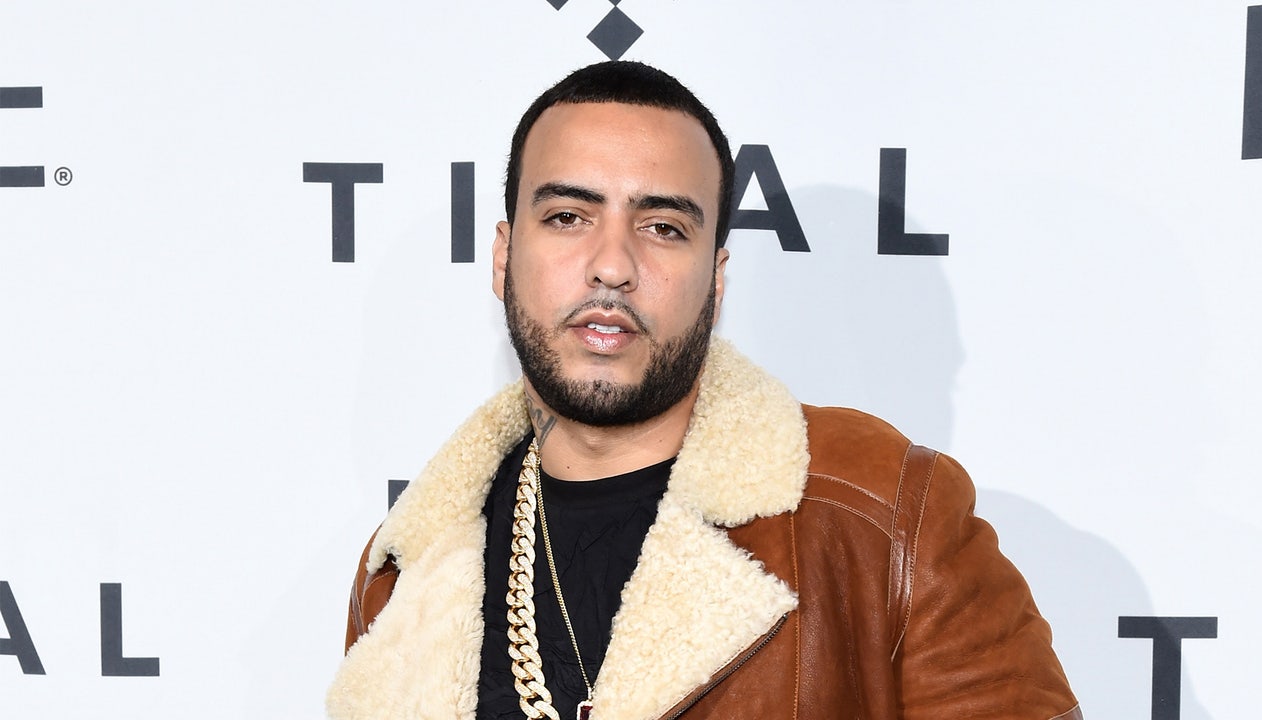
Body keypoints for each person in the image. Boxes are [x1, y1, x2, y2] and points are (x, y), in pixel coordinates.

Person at [326, 61, 1081, 720]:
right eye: (567, 216)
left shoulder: (888, 515)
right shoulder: (408, 576)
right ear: (503, 258)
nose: (612, 265)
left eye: (663, 227)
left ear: (716, 281)